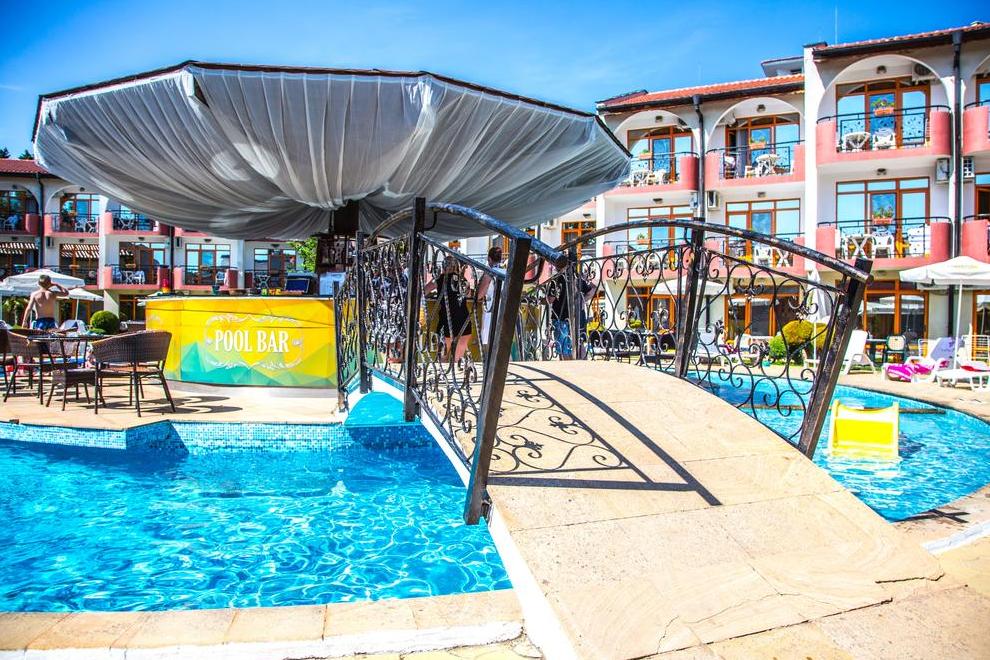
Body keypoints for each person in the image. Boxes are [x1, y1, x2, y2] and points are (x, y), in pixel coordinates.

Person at [425, 256, 473, 364]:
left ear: (443, 266)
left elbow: (425, 291)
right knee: (457, 359)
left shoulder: (439, 279)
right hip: (463, 320)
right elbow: (469, 294)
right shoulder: (462, 279)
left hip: (447, 321)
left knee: (443, 358)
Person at [545, 266, 594, 358]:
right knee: (578, 344)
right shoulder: (577, 278)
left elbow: (550, 299)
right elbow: (592, 291)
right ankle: (582, 364)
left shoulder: (556, 280)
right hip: (577, 317)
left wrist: (544, 299)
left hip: (561, 317)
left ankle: (567, 365)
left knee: (563, 348)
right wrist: (582, 300)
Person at [477, 246, 505, 350]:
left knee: (489, 341)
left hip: (491, 308)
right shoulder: (505, 272)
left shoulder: (489, 273)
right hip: (503, 308)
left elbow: (480, 294)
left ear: (489, 258)